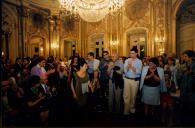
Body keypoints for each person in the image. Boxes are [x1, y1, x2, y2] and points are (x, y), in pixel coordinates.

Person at [139, 57, 167, 122]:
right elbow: (143, 78)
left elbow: (160, 80)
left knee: (154, 103)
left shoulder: (160, 70)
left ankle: (152, 114)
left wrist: (153, 75)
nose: (150, 64)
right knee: (146, 103)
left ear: (155, 64)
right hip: (146, 88)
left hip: (155, 89)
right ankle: (146, 115)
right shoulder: (145, 68)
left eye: (151, 63)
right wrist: (149, 76)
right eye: (149, 63)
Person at [123, 48, 142, 115]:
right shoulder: (127, 60)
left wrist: (132, 67)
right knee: (126, 96)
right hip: (127, 79)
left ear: (136, 54)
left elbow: (139, 72)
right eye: (130, 53)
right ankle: (126, 110)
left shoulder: (139, 61)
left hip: (135, 81)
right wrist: (128, 65)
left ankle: (132, 109)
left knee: (133, 96)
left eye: (133, 53)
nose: (131, 55)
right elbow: (125, 71)